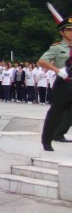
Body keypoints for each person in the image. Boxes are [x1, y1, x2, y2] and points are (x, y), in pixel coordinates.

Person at [38, 15, 72, 151]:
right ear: (61, 32)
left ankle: (59, 134)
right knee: (55, 113)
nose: (71, 32)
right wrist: (58, 70)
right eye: (68, 30)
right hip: (63, 83)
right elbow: (41, 61)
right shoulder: (57, 48)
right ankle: (46, 141)